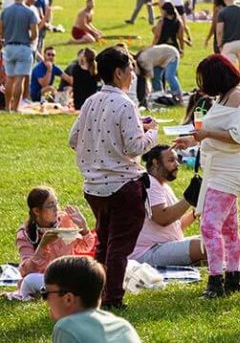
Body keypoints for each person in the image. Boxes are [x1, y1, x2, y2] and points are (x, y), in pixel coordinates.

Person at [68, 47, 159, 308]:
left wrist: (102, 144)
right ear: (119, 73)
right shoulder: (125, 103)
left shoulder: (91, 101)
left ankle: (94, 294)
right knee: (118, 247)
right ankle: (113, 299)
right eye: (130, 69)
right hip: (122, 185)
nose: (133, 74)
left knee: (103, 244)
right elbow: (135, 147)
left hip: (94, 187)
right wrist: (152, 132)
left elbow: (73, 139)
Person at [172, 55, 240, 298]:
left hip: (232, 168)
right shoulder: (225, 96)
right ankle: (232, 277)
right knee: (229, 227)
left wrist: (205, 132)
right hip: (221, 166)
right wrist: (192, 139)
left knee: (209, 226)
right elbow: (214, 132)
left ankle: (215, 281)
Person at [15, 187, 96, 300]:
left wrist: (84, 227)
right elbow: (26, 271)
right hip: (44, 277)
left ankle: (59, 292)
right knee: (30, 280)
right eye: (50, 205)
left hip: (67, 275)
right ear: (36, 211)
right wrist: (42, 246)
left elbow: (85, 248)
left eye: (56, 203)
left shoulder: (64, 220)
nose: (56, 209)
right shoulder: (25, 234)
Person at [130, 146, 205, 266]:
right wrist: (188, 199)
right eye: (171, 160)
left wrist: (196, 212)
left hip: (165, 246)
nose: (177, 164)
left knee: (216, 240)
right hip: (148, 252)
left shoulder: (162, 185)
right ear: (155, 163)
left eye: (177, 160)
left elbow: (177, 225)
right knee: (206, 246)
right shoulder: (150, 183)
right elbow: (162, 218)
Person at [43, 256, 141, 343]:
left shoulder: (66, 328)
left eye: (45, 294)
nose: (45, 300)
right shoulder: (123, 325)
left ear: (68, 299)